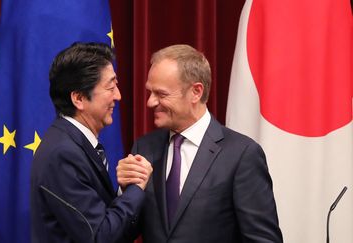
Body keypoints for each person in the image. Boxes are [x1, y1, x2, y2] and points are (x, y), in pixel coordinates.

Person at [117, 44, 283, 242]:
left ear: (196, 92)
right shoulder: (144, 149)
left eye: (161, 94)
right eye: (150, 92)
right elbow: (123, 234)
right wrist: (126, 192)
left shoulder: (241, 155)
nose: (150, 102)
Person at [30, 42, 153, 243]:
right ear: (79, 98)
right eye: (111, 87)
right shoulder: (62, 153)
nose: (118, 96)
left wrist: (124, 190)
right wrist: (136, 188)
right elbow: (99, 237)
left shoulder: (74, 143)